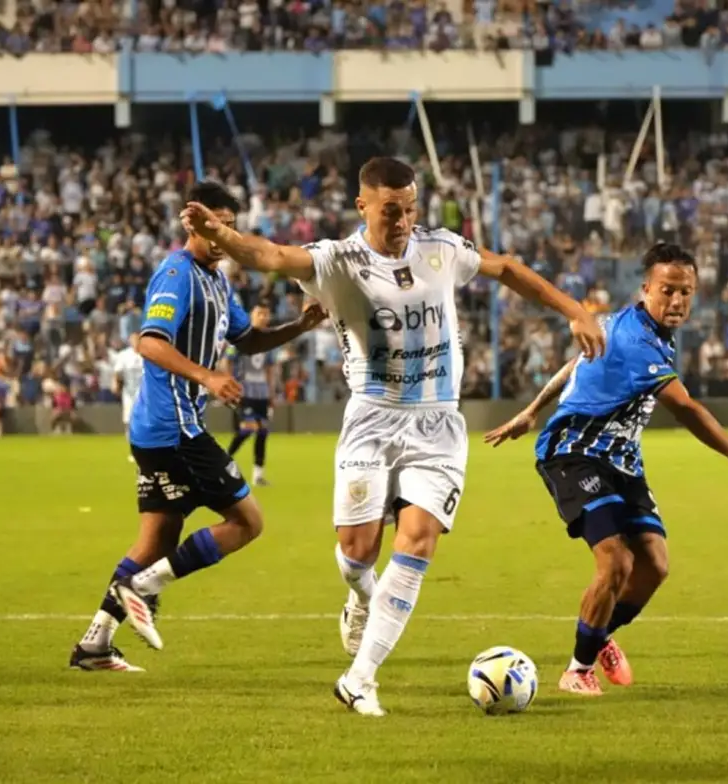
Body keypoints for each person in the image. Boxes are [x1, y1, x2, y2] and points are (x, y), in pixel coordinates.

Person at [181, 156, 605, 716]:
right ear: (363, 206)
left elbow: (504, 269)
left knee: (419, 539)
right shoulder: (338, 261)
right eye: (390, 210)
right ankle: (361, 595)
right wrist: (223, 235)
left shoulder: (442, 250)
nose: (403, 220)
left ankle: (360, 678)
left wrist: (573, 309)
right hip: (372, 419)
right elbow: (273, 256)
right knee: (358, 553)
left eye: (409, 209)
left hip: (437, 423)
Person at [484, 242, 728, 697]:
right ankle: (577, 669)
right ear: (646, 288)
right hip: (575, 451)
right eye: (667, 290)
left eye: (685, 292)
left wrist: (531, 410)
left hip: (622, 458)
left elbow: (575, 363)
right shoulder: (637, 341)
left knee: (654, 564)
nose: (676, 301)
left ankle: (599, 634)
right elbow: (687, 409)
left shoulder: (617, 324)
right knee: (616, 559)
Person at [69, 181, 327, 672]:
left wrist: (299, 325)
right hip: (175, 428)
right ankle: (143, 586)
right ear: (195, 224)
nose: (224, 232)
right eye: (216, 224)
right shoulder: (176, 274)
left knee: (157, 540)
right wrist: (207, 375)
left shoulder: (217, 280)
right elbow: (150, 342)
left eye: (231, 224)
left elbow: (247, 339)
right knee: (249, 522)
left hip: (163, 430)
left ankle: (94, 645)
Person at [225, 304, 278, 486]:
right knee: (248, 429)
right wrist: (230, 384)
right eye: (259, 314)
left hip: (261, 393)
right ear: (252, 316)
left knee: (262, 431)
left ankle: (258, 475)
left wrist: (271, 393)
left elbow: (269, 369)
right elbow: (228, 361)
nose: (263, 317)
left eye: (266, 314)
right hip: (244, 392)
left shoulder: (269, 342)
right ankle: (223, 462)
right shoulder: (241, 339)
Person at [113, 334, 145, 462]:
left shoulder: (147, 354)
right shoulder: (124, 355)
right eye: (133, 340)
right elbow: (117, 372)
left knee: (145, 422)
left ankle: (146, 449)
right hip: (129, 394)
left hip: (145, 393)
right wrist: (115, 383)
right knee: (129, 422)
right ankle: (133, 450)